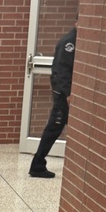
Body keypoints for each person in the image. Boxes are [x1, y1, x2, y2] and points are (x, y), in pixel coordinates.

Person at [29, 20, 77, 179]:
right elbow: (61, 71)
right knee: (53, 128)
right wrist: (68, 93)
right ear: (77, 22)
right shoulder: (69, 43)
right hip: (64, 96)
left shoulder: (75, 41)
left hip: (65, 94)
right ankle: (37, 164)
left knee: (67, 129)